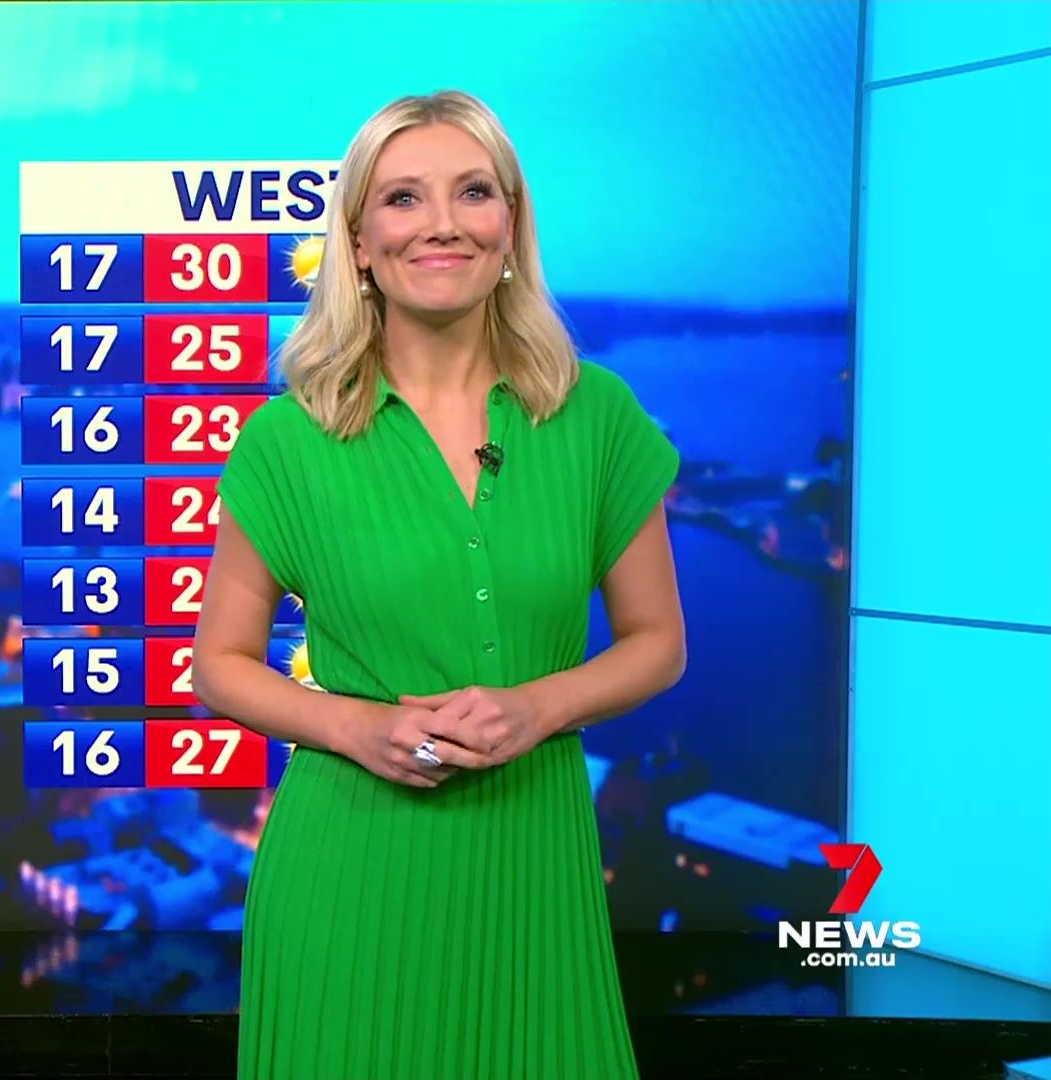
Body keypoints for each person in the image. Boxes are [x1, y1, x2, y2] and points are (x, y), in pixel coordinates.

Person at [192, 90, 687, 1079]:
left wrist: (537, 707)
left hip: (532, 868)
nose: (443, 223)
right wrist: (355, 727)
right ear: (358, 243)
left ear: (510, 225)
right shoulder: (288, 440)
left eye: (473, 192)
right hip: (347, 873)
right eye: (403, 198)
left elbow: (657, 643)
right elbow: (220, 665)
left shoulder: (595, 417)